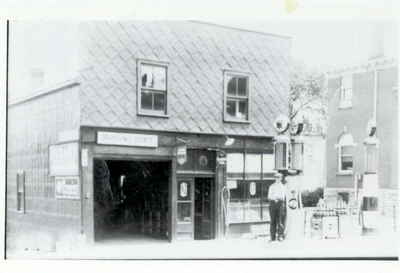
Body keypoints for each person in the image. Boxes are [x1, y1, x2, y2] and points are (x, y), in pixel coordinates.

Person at [268, 172, 287, 242]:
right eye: (276, 177)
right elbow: (269, 196)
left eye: (279, 177)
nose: (277, 179)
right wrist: (274, 198)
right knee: (272, 221)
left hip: (280, 204)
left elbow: (282, 197)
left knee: (280, 221)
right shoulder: (271, 186)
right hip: (272, 204)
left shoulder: (283, 187)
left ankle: (280, 236)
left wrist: (276, 198)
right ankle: (272, 237)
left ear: (281, 178)